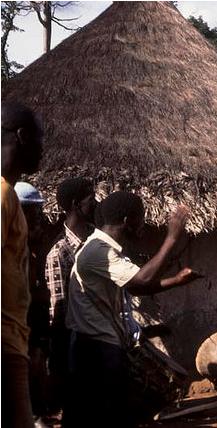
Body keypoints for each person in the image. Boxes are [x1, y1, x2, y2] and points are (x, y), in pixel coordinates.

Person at [64, 191, 200, 428]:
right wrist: (171, 238)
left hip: (96, 345)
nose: (143, 225)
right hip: (95, 349)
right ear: (128, 221)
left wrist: (175, 281)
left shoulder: (104, 248)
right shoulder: (99, 251)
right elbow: (141, 280)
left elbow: (135, 287)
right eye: (141, 218)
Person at [2, 102, 44, 428]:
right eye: (40, 139)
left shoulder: (10, 197)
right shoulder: (2, 195)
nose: (43, 148)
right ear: (22, 136)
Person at [44, 177, 96, 420]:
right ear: (76, 205)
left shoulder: (96, 243)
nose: (95, 204)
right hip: (77, 349)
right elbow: (60, 311)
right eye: (91, 200)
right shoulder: (60, 253)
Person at [15, 182, 50, 425]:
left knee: (35, 365)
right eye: (30, 211)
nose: (36, 218)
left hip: (30, 321)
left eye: (37, 212)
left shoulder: (30, 248)